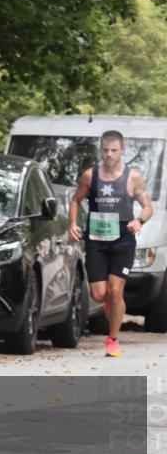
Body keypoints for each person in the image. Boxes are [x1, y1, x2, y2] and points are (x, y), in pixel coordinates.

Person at [69, 130, 154, 357]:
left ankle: (113, 340)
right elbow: (75, 200)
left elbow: (148, 207)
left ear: (122, 150)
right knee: (99, 295)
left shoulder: (132, 177)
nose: (109, 154)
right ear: (101, 150)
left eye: (114, 150)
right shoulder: (90, 176)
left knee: (115, 290)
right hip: (96, 240)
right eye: (105, 150)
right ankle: (113, 304)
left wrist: (139, 220)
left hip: (123, 239)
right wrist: (72, 224)